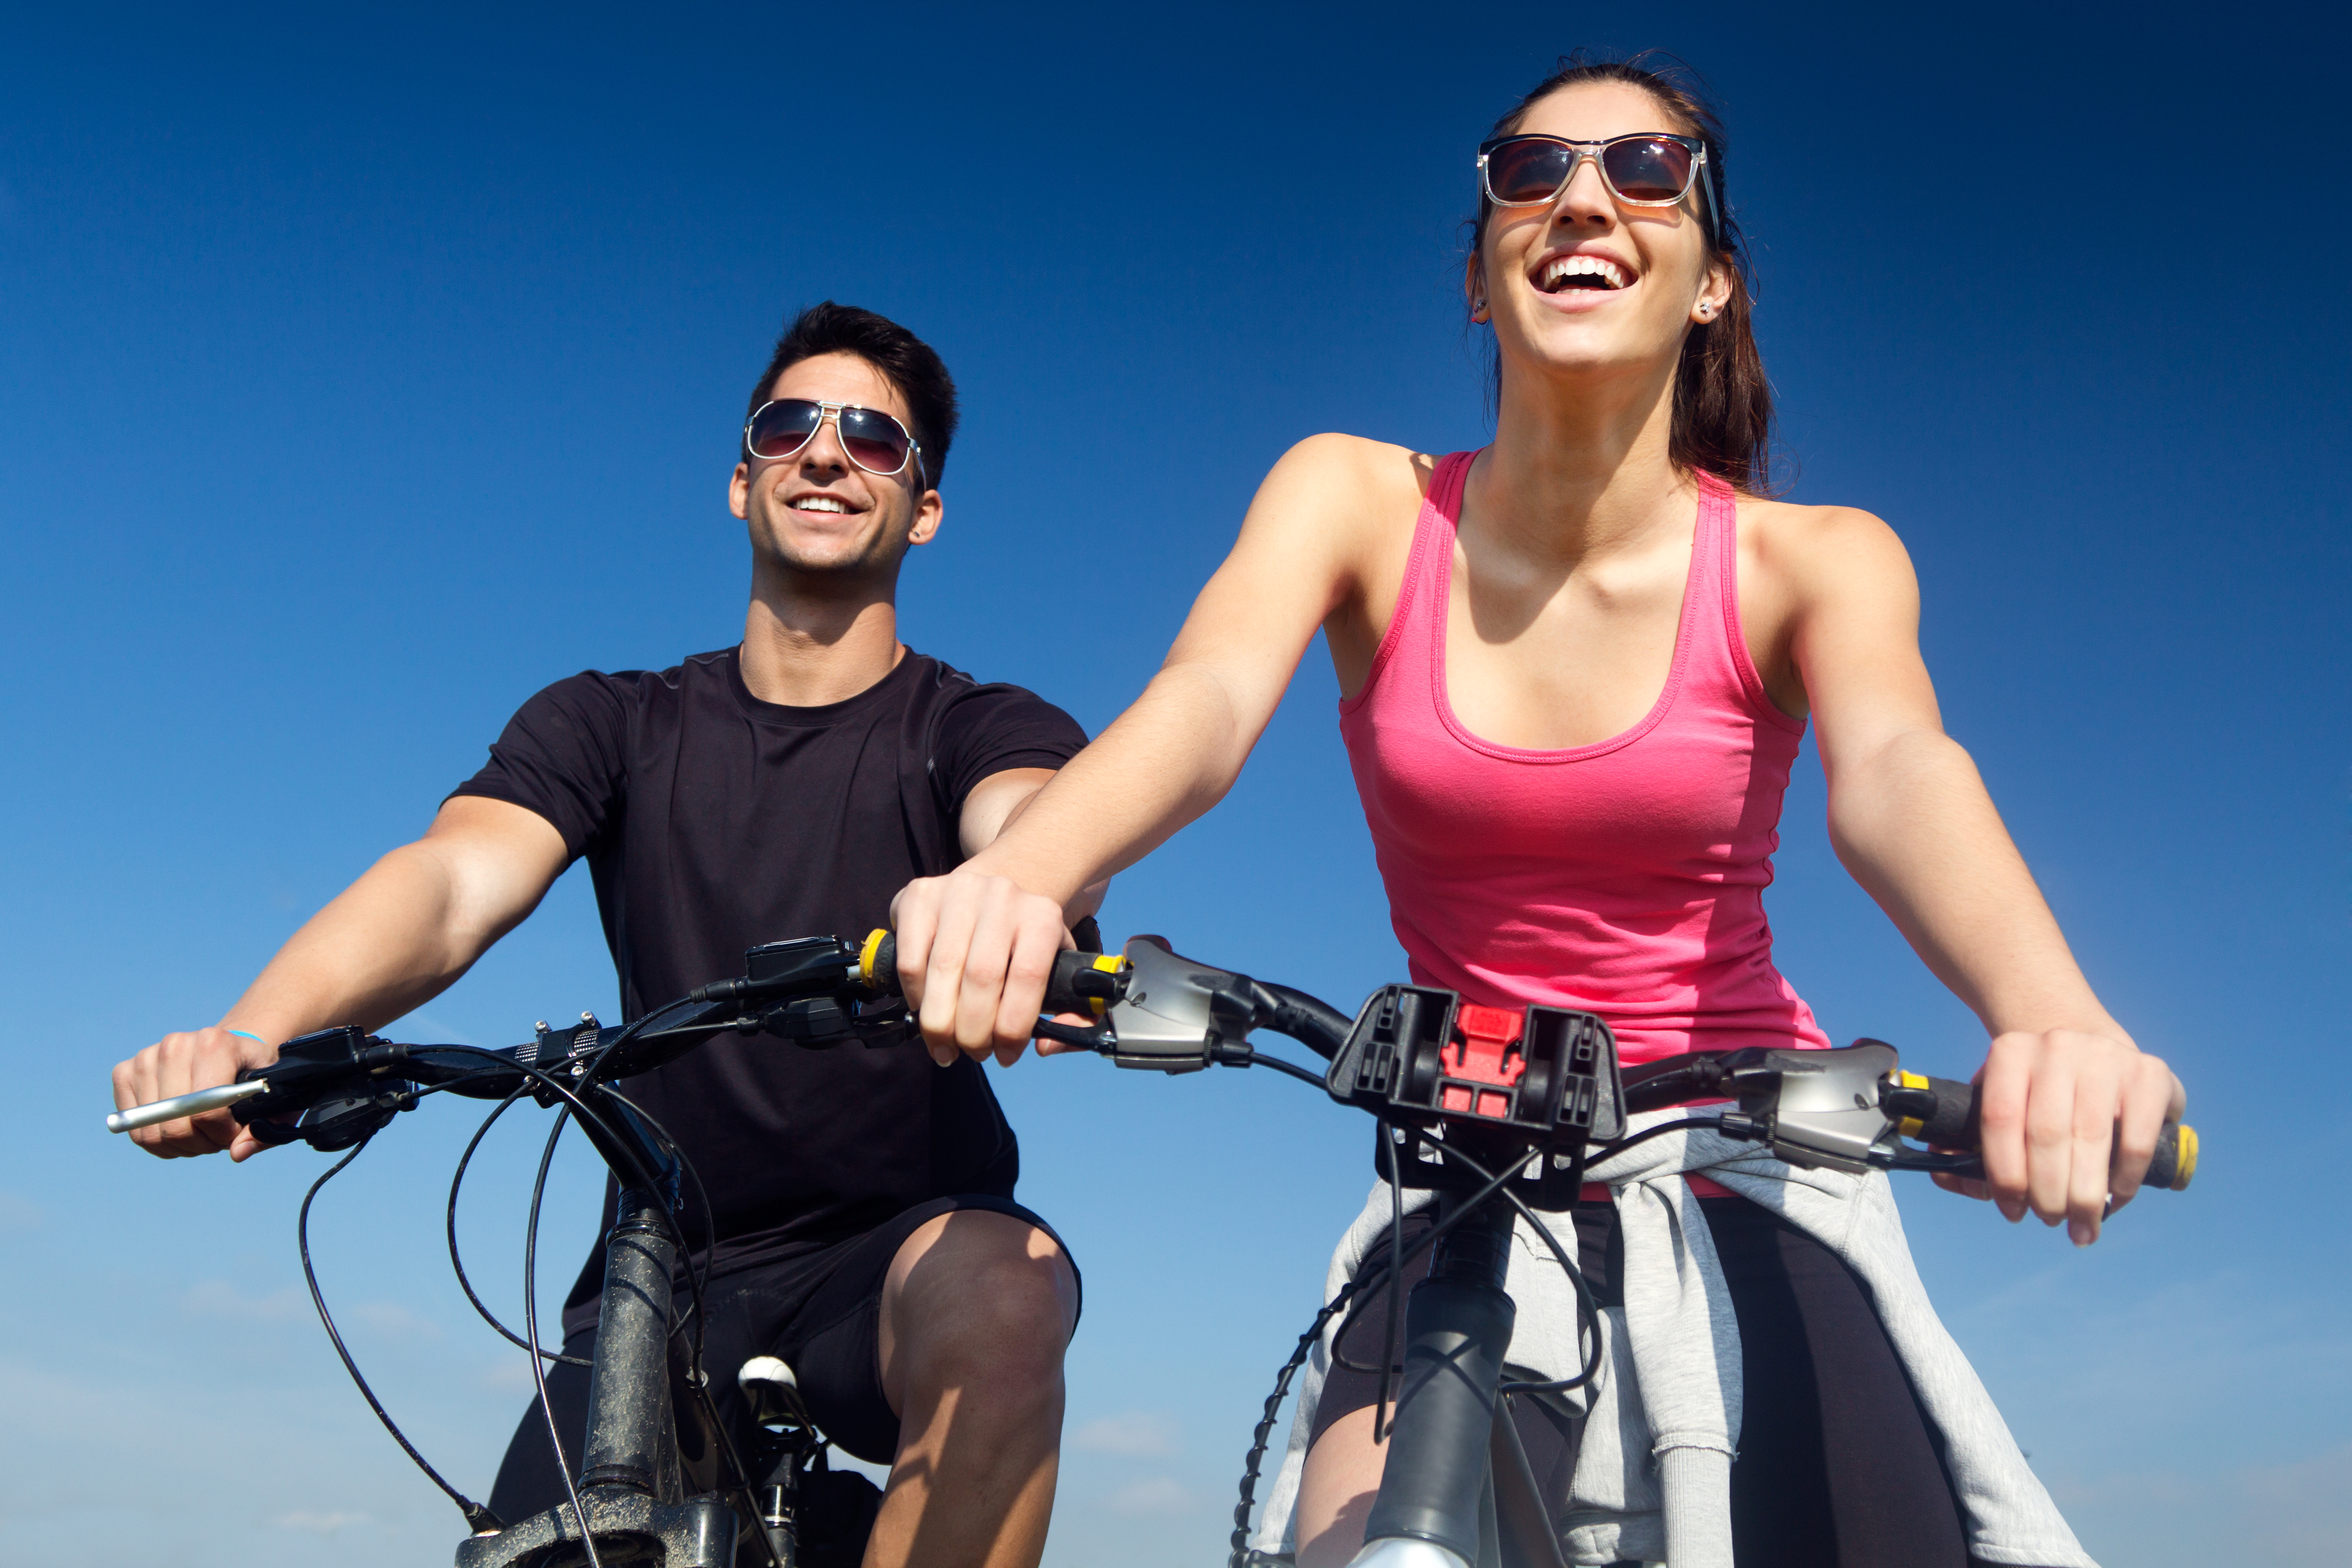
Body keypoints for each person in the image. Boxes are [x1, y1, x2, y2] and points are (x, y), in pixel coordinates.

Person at [886, 54, 2184, 1568]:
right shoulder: (1355, 498)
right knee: (1353, 1544)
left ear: (1712, 281)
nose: (1584, 196)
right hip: (1466, 1147)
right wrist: (1026, 877)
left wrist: (2055, 1017)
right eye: (1530, 169)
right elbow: (1207, 703)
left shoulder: (1815, 557)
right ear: (1482, 274)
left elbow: (1898, 774)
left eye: (1647, 172)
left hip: (1742, 1140)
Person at [110, 302, 1099, 1568]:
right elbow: (455, 881)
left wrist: (1020, 894)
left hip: (902, 1253)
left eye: (876, 439)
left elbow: (1033, 833)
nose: (828, 453)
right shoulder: (614, 723)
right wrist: (260, 1032)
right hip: (662, 1267)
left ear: (926, 509)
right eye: (790, 425)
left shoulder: (976, 724)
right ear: (742, 481)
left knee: (1011, 1293)